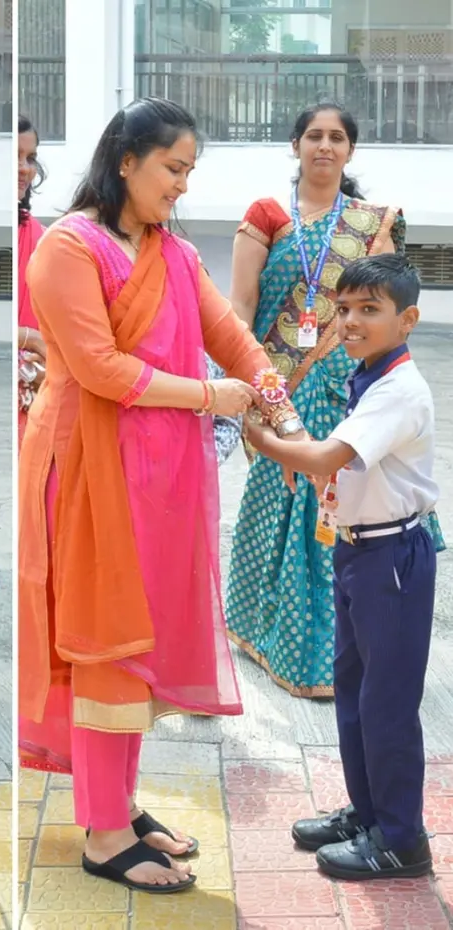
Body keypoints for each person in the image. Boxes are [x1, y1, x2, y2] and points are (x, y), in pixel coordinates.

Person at [17, 97, 306, 893]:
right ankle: (104, 834)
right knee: (106, 633)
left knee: (138, 636)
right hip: (88, 467)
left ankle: (116, 801)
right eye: (173, 169)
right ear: (126, 161)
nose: (182, 185)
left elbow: (227, 332)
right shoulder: (67, 249)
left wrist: (272, 389)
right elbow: (102, 369)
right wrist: (214, 399)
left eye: (188, 171)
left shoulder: (170, 251)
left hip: (164, 474)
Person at [225, 103, 442, 699]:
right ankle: (268, 633)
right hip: (281, 381)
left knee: (342, 500)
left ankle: (327, 655)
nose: (325, 146)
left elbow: (388, 308)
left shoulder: (372, 222)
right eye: (314, 136)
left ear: (350, 151)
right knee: (283, 507)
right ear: (295, 145)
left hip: (353, 386)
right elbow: (241, 307)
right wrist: (247, 383)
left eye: (337, 137)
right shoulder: (267, 216)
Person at [247, 253, 437, 880]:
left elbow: (327, 458)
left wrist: (264, 439)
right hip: (358, 549)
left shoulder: (400, 391)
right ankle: (369, 813)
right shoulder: (369, 376)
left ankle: (402, 840)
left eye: (370, 310)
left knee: (386, 701)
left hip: (391, 560)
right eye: (346, 308)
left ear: (407, 319)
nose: (351, 321)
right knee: (353, 693)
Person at [17, 115, 46, 440]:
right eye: (15, 158)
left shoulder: (45, 241)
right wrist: (29, 337)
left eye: (30, 158)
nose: (24, 168)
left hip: (42, 395)